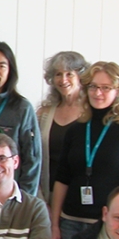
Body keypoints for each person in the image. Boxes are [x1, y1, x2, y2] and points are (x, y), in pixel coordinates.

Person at [50, 61, 119, 239]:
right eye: (93, 87)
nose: (98, 93)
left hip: (109, 226)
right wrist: (55, 224)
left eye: (106, 88)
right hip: (70, 223)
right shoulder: (76, 129)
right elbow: (62, 179)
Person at [0, 42, 42, 195]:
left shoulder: (22, 108)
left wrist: (25, 200)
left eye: (1, 66)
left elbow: (32, 160)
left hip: (9, 197)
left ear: (10, 71)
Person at [36, 51, 88, 204]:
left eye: (69, 74)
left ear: (80, 76)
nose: (63, 79)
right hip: (47, 195)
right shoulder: (43, 114)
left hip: (79, 197)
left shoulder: (91, 112)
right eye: (58, 74)